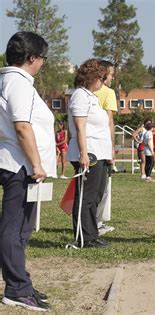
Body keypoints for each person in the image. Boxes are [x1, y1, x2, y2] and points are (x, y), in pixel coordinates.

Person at [0, 31, 54, 312]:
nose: (43, 63)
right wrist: (36, 164)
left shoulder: (7, 80)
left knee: (21, 229)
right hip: (21, 166)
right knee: (14, 229)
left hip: (14, 162)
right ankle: (17, 289)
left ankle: (21, 282)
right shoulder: (18, 83)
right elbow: (22, 125)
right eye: (43, 58)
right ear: (32, 58)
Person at [67, 58, 111, 249]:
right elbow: (80, 127)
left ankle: (92, 233)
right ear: (92, 77)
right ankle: (84, 236)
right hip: (89, 154)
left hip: (100, 153)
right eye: (101, 78)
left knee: (96, 195)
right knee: (86, 196)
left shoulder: (92, 97)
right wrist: (83, 153)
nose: (103, 82)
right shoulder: (80, 96)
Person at [94, 60, 116, 235]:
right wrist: (112, 149)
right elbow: (110, 122)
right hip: (101, 144)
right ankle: (97, 222)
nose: (112, 78)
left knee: (86, 189)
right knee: (103, 187)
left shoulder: (84, 91)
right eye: (111, 74)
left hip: (86, 144)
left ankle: (86, 221)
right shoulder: (108, 93)